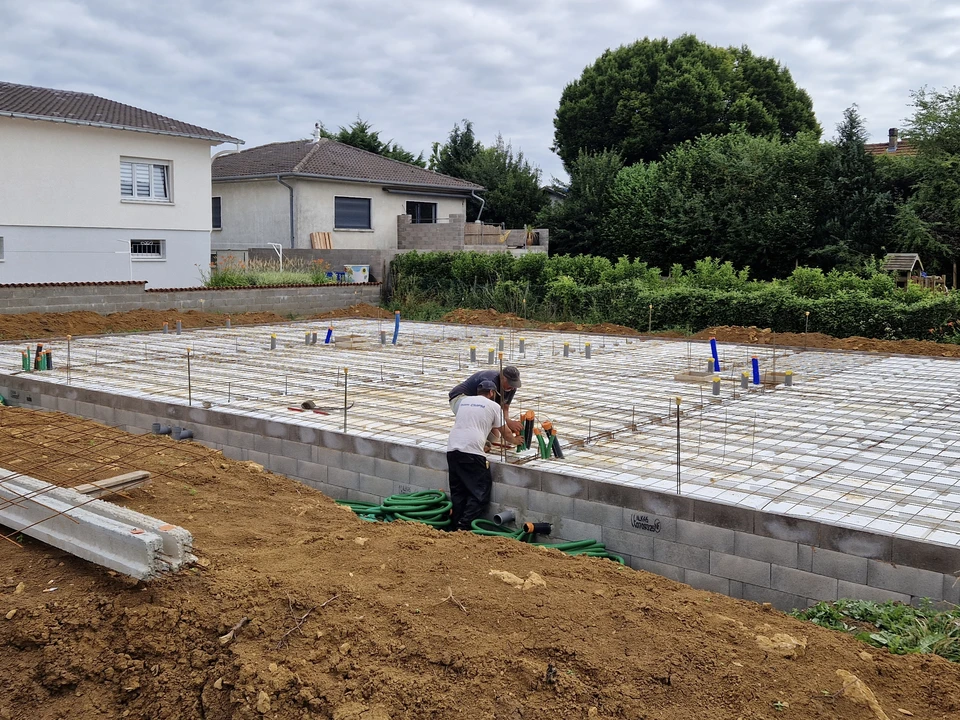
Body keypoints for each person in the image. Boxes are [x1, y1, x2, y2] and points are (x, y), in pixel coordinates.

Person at [446, 380, 520, 531]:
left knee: (458, 492)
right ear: (492, 393)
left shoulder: (464, 401)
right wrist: (515, 440)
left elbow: (472, 423)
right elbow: (504, 432)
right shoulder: (494, 406)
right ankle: (464, 527)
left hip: (452, 448)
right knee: (481, 492)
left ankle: (455, 528)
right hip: (471, 452)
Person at [448, 366, 523, 435]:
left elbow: (505, 407)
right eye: (510, 384)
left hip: (477, 404)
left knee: (495, 436)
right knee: (479, 419)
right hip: (461, 398)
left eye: (514, 385)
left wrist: (506, 422)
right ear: (502, 378)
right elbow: (482, 408)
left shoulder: (512, 387)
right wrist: (506, 423)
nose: (512, 388)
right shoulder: (489, 382)